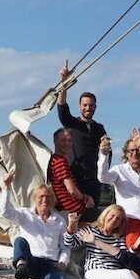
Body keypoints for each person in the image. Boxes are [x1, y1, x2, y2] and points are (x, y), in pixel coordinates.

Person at [0, 170, 68, 279]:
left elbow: (65, 247)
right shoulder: (25, 214)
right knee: (20, 241)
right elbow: (6, 213)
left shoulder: (60, 221)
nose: (45, 200)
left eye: (48, 197)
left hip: (50, 265)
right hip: (30, 262)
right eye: (41, 196)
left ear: (52, 200)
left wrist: (63, 262)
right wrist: (6, 187)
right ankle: (21, 267)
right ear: (35, 199)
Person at [56, 63, 107, 207]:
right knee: (74, 216)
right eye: (85, 105)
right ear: (79, 106)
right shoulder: (72, 124)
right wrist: (63, 82)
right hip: (75, 180)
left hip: (94, 181)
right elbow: (62, 108)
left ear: (95, 107)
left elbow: (106, 154)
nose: (88, 108)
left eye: (91, 105)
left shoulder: (99, 129)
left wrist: (102, 178)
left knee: (92, 220)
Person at [48, 128, 98, 220]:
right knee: (108, 215)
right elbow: (72, 190)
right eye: (63, 140)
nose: (67, 143)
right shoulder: (60, 162)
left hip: (66, 209)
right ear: (55, 142)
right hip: (74, 210)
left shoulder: (53, 160)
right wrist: (85, 197)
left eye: (69, 140)